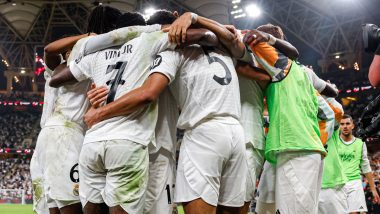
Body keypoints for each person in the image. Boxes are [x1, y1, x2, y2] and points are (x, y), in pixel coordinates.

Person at [49, 11, 219, 214]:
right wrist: (187, 20)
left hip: (95, 142)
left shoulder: (97, 55)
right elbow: (206, 36)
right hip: (143, 144)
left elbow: (56, 76)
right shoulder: (155, 45)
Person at [81, 12, 250, 214]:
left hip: (188, 138)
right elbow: (232, 39)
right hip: (234, 131)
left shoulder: (170, 51)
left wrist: (99, 112)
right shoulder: (221, 46)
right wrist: (194, 18)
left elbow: (148, 93)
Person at [38, 5, 122, 214]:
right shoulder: (66, 67)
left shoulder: (82, 64)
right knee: (72, 204)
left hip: (54, 136)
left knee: (55, 204)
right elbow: (49, 49)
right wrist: (86, 37)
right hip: (64, 135)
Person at [338, 114, 380, 214]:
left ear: (353, 125)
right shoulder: (333, 141)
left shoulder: (360, 143)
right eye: (342, 124)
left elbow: (366, 167)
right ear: (339, 126)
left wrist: (373, 189)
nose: (345, 126)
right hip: (337, 183)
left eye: (347, 123)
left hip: (354, 183)